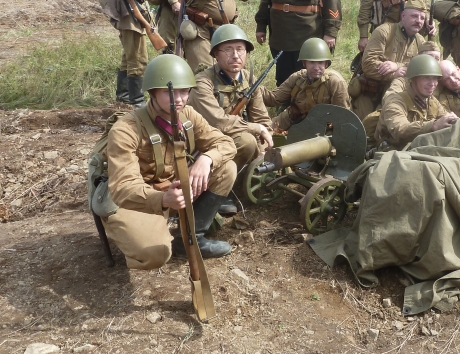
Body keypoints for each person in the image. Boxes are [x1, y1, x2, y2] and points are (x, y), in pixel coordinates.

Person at [103, 54, 237, 269]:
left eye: (185, 91)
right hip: (141, 201)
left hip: (176, 191)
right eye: (169, 92)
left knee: (226, 168)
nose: (179, 99)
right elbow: (123, 189)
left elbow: (225, 143)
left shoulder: (188, 115)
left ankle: (194, 238)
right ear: (152, 93)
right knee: (154, 255)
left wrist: (207, 159)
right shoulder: (126, 130)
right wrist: (164, 199)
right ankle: (137, 231)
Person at [187, 25, 274, 209]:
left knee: (256, 142)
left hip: (229, 137)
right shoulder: (203, 82)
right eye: (228, 49)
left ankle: (238, 182)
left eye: (240, 49)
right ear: (215, 54)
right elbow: (217, 121)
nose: (235, 55)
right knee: (247, 141)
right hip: (201, 142)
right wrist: (256, 129)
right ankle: (219, 190)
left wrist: (266, 146)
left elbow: (261, 119)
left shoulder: (250, 80)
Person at [350, 0, 427, 119]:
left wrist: (397, 66)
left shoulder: (421, 42)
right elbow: (368, 64)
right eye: (414, 16)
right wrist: (393, 75)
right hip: (370, 92)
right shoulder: (385, 31)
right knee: (363, 128)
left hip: (397, 95)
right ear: (403, 16)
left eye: (422, 18)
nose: (419, 21)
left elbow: (425, 69)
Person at [259, 37, 350, 132]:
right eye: (312, 62)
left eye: (320, 63)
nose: (316, 67)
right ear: (304, 63)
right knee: (264, 133)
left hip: (322, 128)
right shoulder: (297, 78)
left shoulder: (335, 82)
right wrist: (253, 88)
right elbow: (274, 98)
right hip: (292, 118)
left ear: (326, 64)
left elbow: (343, 116)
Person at [374, 54, 457, 149]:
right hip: (394, 152)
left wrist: (453, 121)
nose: (432, 83)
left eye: (435, 78)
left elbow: (447, 120)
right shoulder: (395, 101)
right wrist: (433, 125)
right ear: (413, 79)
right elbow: (400, 131)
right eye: (426, 77)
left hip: (420, 150)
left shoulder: (432, 101)